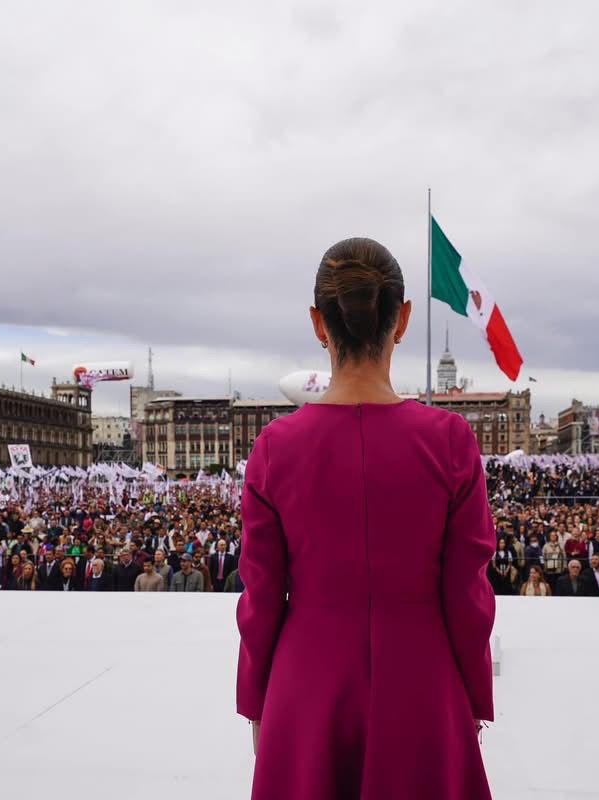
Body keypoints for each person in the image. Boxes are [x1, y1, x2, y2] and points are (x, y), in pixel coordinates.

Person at [237, 238, 493, 800]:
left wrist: (257, 700)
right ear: (401, 320)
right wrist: (472, 693)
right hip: (424, 687)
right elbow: (467, 594)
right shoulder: (450, 441)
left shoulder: (275, 448)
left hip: (305, 690)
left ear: (318, 324)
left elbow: (260, 597)